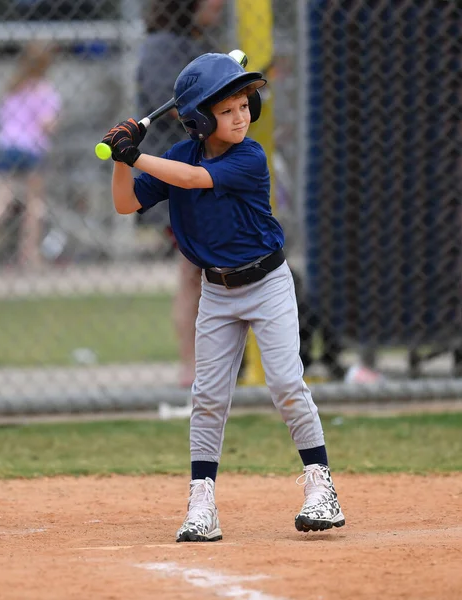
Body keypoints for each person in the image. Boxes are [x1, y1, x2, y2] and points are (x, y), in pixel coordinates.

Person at [100, 52, 345, 542]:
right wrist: (122, 156)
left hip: (268, 283)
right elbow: (125, 202)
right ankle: (201, 502)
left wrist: (134, 154)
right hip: (217, 291)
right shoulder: (175, 157)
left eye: (244, 105)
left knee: (285, 384)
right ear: (199, 119)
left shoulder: (248, 157)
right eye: (228, 109)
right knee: (208, 398)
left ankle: (322, 488)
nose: (241, 116)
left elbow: (192, 181)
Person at [136, 0, 225, 388]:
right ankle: (193, 369)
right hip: (178, 175)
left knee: (204, 271)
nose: (219, 5)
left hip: (204, 173)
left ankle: (208, 367)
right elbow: (172, 106)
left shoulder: (195, 41)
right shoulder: (163, 46)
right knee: (195, 271)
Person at [0, 41, 61, 268]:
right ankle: (29, 255)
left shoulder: (12, 88)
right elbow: (48, 125)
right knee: (34, 204)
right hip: (31, 149)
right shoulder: (44, 90)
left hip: (6, 147)